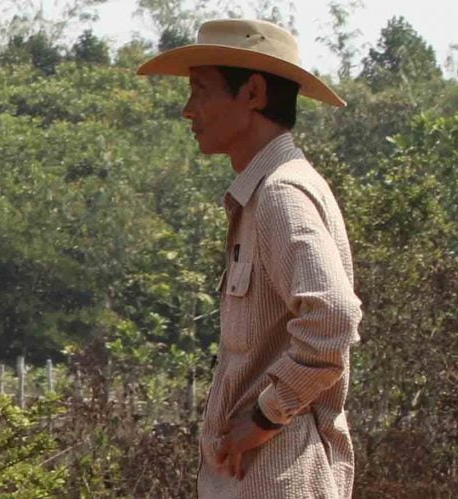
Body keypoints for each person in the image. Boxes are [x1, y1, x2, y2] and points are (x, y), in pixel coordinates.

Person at [137, 19, 363, 498]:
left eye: (201, 89)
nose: (188, 109)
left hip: (280, 479)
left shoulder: (283, 194)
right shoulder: (266, 192)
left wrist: (265, 415)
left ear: (254, 93)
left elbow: (333, 319)